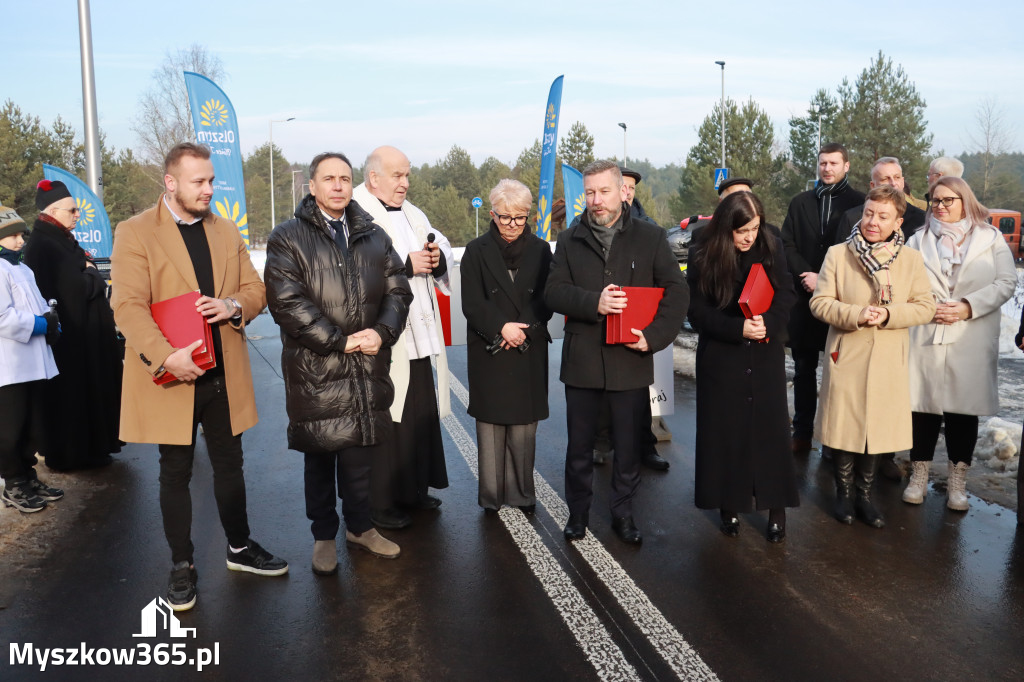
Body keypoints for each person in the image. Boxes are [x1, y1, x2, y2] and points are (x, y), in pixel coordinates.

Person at [111, 142, 287, 612]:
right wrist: (167, 357)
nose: (209, 189)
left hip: (222, 371)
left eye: (211, 181)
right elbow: (127, 305)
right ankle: (182, 565)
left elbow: (256, 289)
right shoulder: (134, 232)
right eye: (199, 182)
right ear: (171, 183)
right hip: (174, 374)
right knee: (176, 470)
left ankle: (239, 547)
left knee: (231, 464)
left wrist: (231, 306)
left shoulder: (226, 230)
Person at [266, 152, 412, 575]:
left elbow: (398, 291)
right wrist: (339, 341)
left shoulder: (372, 234)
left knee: (359, 458)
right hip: (317, 369)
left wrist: (381, 333)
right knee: (321, 458)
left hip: (365, 365)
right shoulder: (288, 237)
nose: (337, 186)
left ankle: (361, 529)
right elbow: (287, 303)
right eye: (328, 179)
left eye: (344, 179)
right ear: (311, 186)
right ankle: (324, 537)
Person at [545, 160, 688, 545]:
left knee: (627, 450)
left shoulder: (650, 237)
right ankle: (577, 515)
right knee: (579, 448)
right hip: (583, 363)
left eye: (603, 191)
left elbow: (677, 292)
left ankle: (623, 515)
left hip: (630, 361)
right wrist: (595, 303)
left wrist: (653, 337)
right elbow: (553, 291)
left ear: (621, 192)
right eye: (589, 193)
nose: (596, 200)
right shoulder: (571, 238)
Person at [810, 185, 935, 528]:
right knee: (845, 428)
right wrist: (855, 314)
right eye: (868, 213)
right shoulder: (838, 254)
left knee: (875, 432)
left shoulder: (910, 259)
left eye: (882, 216)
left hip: (887, 358)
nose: (872, 222)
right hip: (846, 353)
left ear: (898, 223)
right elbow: (819, 303)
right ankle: (843, 494)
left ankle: (865, 498)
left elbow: (925, 307)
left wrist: (890, 314)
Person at [687, 192, 798, 542]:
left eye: (754, 227)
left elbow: (786, 295)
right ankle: (728, 507)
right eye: (742, 230)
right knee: (726, 435)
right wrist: (737, 328)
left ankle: (776, 510)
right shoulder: (703, 253)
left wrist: (770, 324)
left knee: (770, 435)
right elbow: (697, 312)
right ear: (726, 228)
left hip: (764, 354)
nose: (750, 236)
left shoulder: (771, 246)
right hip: (723, 358)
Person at [351, 146, 452, 530]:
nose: (405, 183)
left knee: (417, 415)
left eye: (407, 175)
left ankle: (413, 488)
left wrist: (437, 257)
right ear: (374, 178)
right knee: (387, 418)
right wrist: (407, 264)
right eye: (397, 176)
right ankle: (381, 502)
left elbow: (440, 244)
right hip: (384, 335)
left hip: (420, 334)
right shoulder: (356, 213)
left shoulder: (413, 212)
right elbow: (353, 269)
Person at [903, 177, 1015, 511]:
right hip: (927, 329)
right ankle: (918, 475)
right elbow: (902, 281)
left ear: (964, 200)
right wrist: (927, 306)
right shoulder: (917, 239)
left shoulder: (990, 238)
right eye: (934, 200)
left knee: (961, 412)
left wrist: (968, 306)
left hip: (970, 334)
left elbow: (1006, 282)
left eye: (947, 200)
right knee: (921, 407)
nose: (939, 206)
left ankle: (957, 482)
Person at [461, 179, 552, 515]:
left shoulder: (542, 250)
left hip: (528, 346)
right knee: (490, 425)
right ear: (492, 214)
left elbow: (547, 297)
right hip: (491, 348)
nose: (512, 224)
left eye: (520, 217)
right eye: (505, 217)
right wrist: (502, 328)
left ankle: (522, 494)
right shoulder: (475, 250)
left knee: (524, 426)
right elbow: (472, 303)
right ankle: (492, 496)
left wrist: (523, 328)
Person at [22, 180, 122, 471]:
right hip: (72, 337)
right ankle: (72, 454)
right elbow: (74, 289)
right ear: (53, 210)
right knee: (71, 398)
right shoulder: (46, 243)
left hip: (81, 334)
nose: (78, 214)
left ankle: (92, 447)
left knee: (85, 394)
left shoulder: (57, 238)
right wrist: (93, 276)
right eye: (72, 210)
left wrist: (88, 274)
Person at [782, 143, 866, 456]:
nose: (827, 168)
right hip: (804, 300)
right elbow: (787, 244)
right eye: (822, 163)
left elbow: (860, 247)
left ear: (846, 165)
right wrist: (807, 274)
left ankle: (835, 439)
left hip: (842, 299)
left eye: (833, 163)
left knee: (839, 372)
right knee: (803, 370)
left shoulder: (859, 203)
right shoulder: (801, 201)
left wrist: (826, 280)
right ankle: (802, 432)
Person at [591, 167, 669, 472]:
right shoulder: (587, 225)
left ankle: (645, 447)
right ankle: (601, 442)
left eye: (632, 188)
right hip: (602, 325)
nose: (628, 191)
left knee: (641, 398)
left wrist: (656, 328)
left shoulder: (648, 227)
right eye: (623, 185)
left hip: (640, 326)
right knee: (600, 396)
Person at [0, 205, 62, 513]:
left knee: (31, 426)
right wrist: (40, 325)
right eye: (11, 236)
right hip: (10, 365)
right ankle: (12, 483)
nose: (19, 241)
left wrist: (51, 322)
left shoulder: (22, 268)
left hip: (32, 362)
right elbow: (2, 317)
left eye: (20, 234)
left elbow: (36, 305)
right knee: (11, 429)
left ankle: (27, 476)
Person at [835, 157, 927, 245]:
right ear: (872, 185)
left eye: (897, 177)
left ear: (902, 182)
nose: (893, 183)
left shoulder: (921, 219)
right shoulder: (852, 218)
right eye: (885, 179)